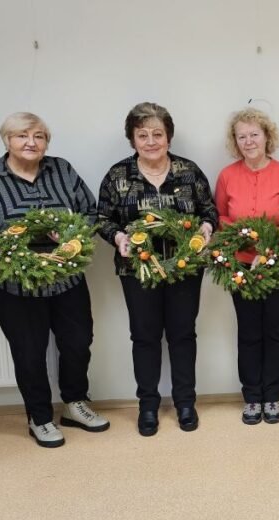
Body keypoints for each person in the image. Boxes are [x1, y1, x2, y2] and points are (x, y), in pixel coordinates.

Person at [0, 112, 108, 448]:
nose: (31, 143)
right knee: (29, 351)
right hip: (13, 282)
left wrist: (70, 234)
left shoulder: (62, 169)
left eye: (39, 136)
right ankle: (39, 417)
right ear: (7, 140)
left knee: (78, 341)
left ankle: (75, 403)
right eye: (22, 136)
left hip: (66, 275)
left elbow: (89, 212)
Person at [96, 102, 218, 437]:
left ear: (168, 137)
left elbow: (209, 211)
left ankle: (185, 403)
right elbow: (102, 219)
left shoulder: (188, 172)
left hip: (185, 268)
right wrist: (118, 237)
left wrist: (206, 228)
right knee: (145, 336)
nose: (151, 141)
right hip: (138, 271)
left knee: (183, 335)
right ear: (132, 139)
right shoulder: (118, 176)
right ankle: (147, 406)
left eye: (157, 134)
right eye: (142, 135)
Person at [215, 108, 279, 425]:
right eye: (242, 136)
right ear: (235, 141)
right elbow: (221, 217)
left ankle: (272, 396)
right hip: (241, 264)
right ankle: (252, 398)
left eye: (254, 134)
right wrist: (242, 240)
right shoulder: (226, 175)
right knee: (249, 331)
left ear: (266, 136)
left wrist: (268, 249)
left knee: (276, 330)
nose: (248, 141)